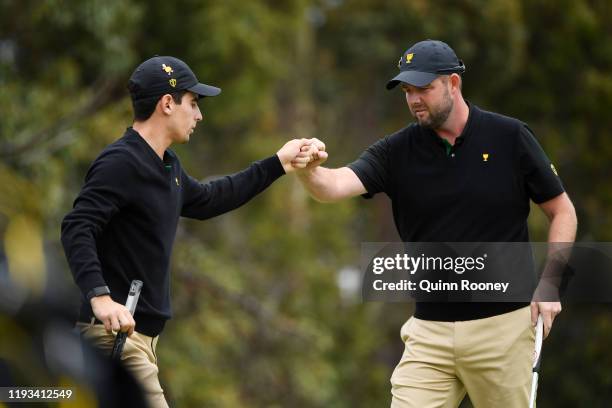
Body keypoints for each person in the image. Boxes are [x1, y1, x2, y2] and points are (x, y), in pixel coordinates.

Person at [295, 40, 577, 407]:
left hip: (504, 330)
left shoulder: (509, 137)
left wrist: (552, 283)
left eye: (423, 88)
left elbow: (562, 211)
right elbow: (333, 186)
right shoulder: (396, 151)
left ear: (453, 84)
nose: (414, 99)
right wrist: (308, 170)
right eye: (407, 91)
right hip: (429, 333)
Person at [61, 55, 314, 408]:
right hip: (112, 341)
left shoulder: (167, 165)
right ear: (167, 103)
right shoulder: (122, 161)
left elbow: (211, 198)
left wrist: (278, 163)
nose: (199, 115)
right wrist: (100, 297)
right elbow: (77, 225)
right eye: (193, 104)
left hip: (141, 343)